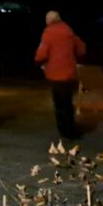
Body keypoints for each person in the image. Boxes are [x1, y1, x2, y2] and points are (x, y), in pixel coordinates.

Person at [35, 10, 86, 140]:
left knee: (59, 104)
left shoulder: (48, 32)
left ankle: (64, 131)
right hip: (69, 73)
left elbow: (42, 53)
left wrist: (37, 60)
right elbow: (81, 48)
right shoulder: (68, 30)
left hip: (56, 74)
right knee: (68, 102)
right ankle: (71, 128)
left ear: (49, 21)